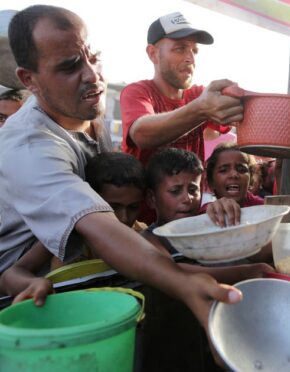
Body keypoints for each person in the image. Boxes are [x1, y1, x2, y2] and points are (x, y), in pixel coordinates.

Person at [0, 5, 241, 328]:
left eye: (94, 56)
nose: (92, 74)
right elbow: (99, 225)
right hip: (24, 299)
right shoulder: (29, 146)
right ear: (29, 79)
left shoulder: (83, 112)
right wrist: (183, 284)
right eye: (70, 66)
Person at [119, 11, 243, 168]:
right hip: (146, 193)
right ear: (153, 54)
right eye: (180, 48)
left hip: (191, 193)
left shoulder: (199, 95)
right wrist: (201, 109)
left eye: (194, 50)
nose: (190, 58)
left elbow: (247, 118)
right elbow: (141, 134)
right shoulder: (137, 91)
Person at [141, 147, 272, 279]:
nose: (187, 199)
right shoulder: (149, 239)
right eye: (175, 191)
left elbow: (262, 252)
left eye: (193, 190)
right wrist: (245, 272)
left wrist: (232, 221)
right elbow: (171, 270)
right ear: (152, 199)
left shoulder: (211, 225)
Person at [204, 143, 264, 210]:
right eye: (224, 170)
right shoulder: (204, 213)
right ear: (211, 181)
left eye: (241, 169)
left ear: (251, 179)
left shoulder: (264, 209)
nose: (234, 175)